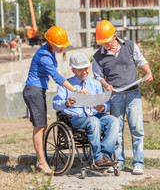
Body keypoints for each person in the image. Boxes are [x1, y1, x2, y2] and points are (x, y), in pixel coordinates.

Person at [23, 26, 87, 175]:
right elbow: (57, 77)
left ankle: (41, 160)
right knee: (39, 126)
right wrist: (76, 90)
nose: (62, 47)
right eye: (59, 45)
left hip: (38, 90)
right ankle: (41, 162)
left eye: (63, 44)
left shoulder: (50, 52)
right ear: (50, 42)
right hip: (34, 90)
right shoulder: (44, 55)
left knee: (42, 125)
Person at [92, 20, 153, 175]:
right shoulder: (98, 57)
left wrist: (148, 72)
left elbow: (141, 61)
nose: (105, 45)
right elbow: (98, 77)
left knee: (137, 129)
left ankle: (138, 163)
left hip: (133, 93)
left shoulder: (130, 46)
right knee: (117, 130)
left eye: (107, 41)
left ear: (115, 36)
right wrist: (106, 85)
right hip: (115, 96)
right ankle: (119, 161)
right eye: (102, 42)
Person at [53, 51, 119, 167]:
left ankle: (105, 155)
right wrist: (66, 103)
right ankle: (97, 158)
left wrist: (103, 107)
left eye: (86, 69)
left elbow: (107, 103)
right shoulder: (66, 85)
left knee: (113, 121)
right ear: (73, 70)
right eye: (80, 70)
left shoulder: (95, 84)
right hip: (75, 118)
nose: (84, 72)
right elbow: (55, 104)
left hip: (94, 115)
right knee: (94, 121)